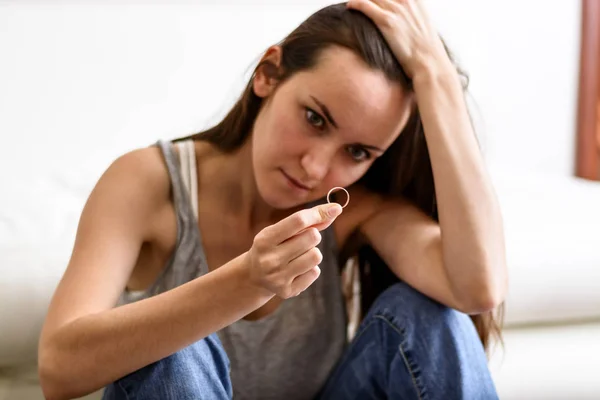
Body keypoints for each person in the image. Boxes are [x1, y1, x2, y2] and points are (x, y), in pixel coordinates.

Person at [38, 1, 508, 399]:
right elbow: (58, 366)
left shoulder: (355, 212)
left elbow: (477, 288)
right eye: (315, 118)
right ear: (268, 74)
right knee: (171, 349)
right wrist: (248, 280)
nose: (316, 168)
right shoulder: (150, 182)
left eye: (358, 152)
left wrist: (438, 78)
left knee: (429, 317)